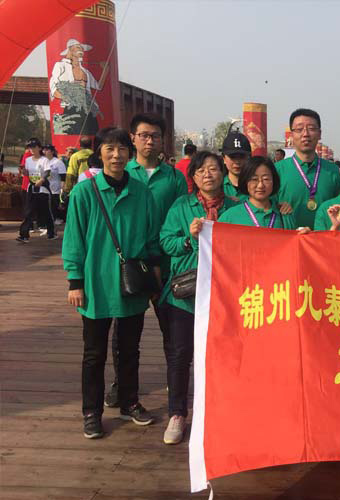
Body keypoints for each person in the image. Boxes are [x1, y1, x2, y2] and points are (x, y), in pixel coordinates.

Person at [62, 127, 160, 439]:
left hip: (132, 284)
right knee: (94, 353)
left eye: (122, 149)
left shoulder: (141, 192)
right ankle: (91, 412)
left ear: (130, 153)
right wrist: (75, 281)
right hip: (96, 284)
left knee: (130, 349)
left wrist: (153, 277)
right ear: (100, 153)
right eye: (109, 149)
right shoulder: (84, 192)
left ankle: (129, 402)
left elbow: (151, 238)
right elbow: (74, 238)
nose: (116, 155)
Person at [104, 113, 186, 408]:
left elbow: (183, 215)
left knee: (172, 329)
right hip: (131, 266)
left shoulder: (174, 178)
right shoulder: (122, 173)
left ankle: (176, 381)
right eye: (143, 135)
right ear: (133, 138)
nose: (149, 141)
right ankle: (121, 384)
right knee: (125, 332)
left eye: (155, 136)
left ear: (163, 140)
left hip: (168, 265)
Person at [159, 151, 239, 445]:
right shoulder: (181, 206)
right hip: (187, 295)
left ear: (223, 173)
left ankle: (220, 411)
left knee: (224, 355)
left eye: (213, 169)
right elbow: (166, 242)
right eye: (201, 170)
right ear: (192, 176)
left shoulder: (236, 207)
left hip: (225, 294)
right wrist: (188, 239)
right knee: (180, 355)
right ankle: (177, 413)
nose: (208, 174)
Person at [274, 108, 340, 229]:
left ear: (319, 134)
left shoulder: (333, 171)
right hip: (289, 238)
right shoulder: (277, 170)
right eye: (299, 129)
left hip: (324, 237)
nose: (305, 134)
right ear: (291, 135)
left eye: (311, 128)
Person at [219, 156, 298, 229]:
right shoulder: (230, 217)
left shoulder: (284, 214)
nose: (260, 185)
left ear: (274, 181)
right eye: (254, 179)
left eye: (266, 179)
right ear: (245, 181)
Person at [17, 139, 55, 242]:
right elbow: (27, 173)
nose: (32, 149)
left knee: (46, 211)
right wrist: (23, 171)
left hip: (43, 188)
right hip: (32, 188)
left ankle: (51, 233)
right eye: (30, 147)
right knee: (28, 211)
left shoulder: (44, 160)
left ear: (39, 148)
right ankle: (24, 235)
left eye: (34, 147)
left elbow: (47, 171)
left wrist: (42, 179)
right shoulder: (28, 160)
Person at [39, 144, 65, 230]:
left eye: (47, 150)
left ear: (52, 152)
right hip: (43, 187)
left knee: (53, 205)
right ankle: (45, 222)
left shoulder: (58, 162)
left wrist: (62, 188)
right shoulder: (42, 161)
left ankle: (55, 220)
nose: (44, 151)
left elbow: (63, 176)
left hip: (55, 187)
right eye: (44, 150)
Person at [221, 129, 252, 198]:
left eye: (242, 156)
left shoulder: (257, 187)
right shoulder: (217, 187)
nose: (237, 161)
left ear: (249, 158)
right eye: (232, 157)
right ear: (224, 158)